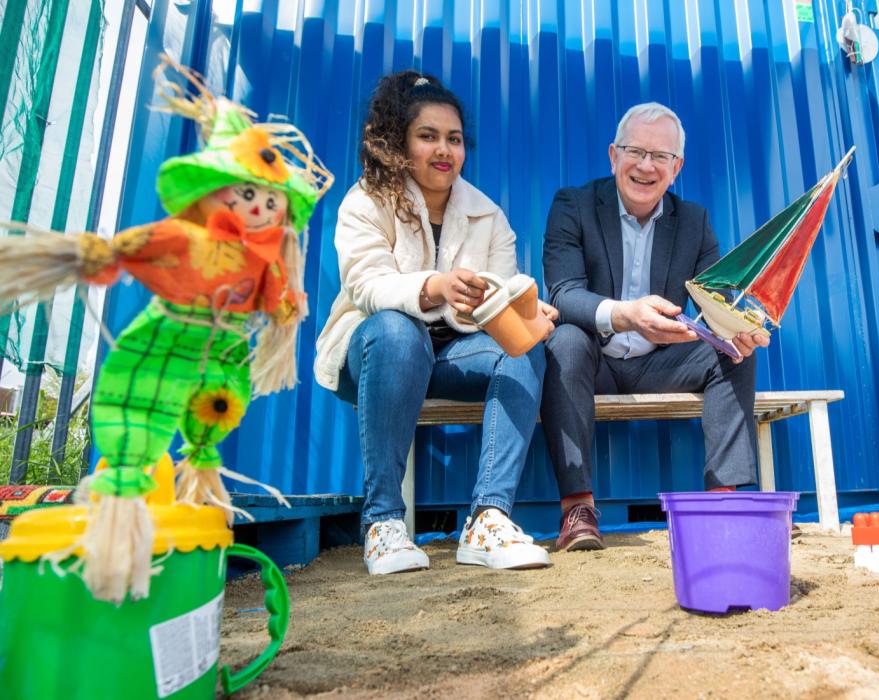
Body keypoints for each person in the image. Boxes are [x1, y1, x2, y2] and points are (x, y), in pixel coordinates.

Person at [314, 72, 555, 574]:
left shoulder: (489, 216)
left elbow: (501, 299)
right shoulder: (367, 200)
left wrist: (521, 312)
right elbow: (367, 286)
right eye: (428, 136)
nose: (443, 150)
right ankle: (383, 523)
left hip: (455, 353)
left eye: (455, 139)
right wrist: (437, 287)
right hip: (377, 351)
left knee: (526, 345)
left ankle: (488, 519)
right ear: (402, 142)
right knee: (399, 332)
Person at [540, 102, 770, 552]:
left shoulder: (695, 221)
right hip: (593, 358)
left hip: (661, 360)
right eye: (635, 151)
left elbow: (715, 301)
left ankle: (724, 500)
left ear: (676, 167)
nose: (646, 166)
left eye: (660, 156)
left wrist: (739, 326)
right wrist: (626, 314)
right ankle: (577, 508)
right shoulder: (574, 204)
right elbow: (563, 294)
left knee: (734, 350)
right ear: (613, 155)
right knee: (564, 340)